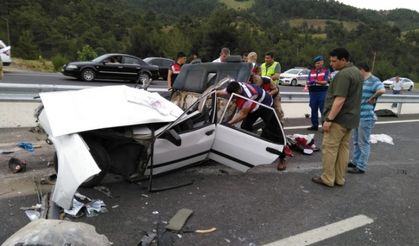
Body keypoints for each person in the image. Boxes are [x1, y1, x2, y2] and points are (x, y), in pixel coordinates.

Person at [311, 48, 363, 187]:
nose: (331, 63)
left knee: (329, 148)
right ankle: (340, 178)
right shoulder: (357, 72)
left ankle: (328, 178)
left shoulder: (343, 75)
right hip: (350, 119)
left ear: (344, 60)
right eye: (331, 60)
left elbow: (339, 100)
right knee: (343, 149)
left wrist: (329, 120)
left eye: (334, 61)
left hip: (338, 120)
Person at [217, 81, 288, 170]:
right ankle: (253, 149)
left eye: (235, 96)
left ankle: (283, 158)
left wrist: (228, 123)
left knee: (275, 131)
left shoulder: (249, 95)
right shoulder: (232, 87)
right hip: (254, 107)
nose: (233, 98)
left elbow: (242, 114)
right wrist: (209, 95)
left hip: (265, 106)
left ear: (238, 91)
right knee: (245, 127)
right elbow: (220, 92)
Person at [348, 63, 385, 174]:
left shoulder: (374, 80)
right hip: (357, 116)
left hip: (366, 117)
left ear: (362, 70)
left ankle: (361, 166)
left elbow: (382, 90)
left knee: (363, 142)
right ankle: (355, 161)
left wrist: (373, 97)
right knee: (356, 141)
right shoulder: (362, 80)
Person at [306, 55, 330, 131]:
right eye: (317, 63)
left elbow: (325, 82)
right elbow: (308, 81)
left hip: (322, 92)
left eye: (320, 63)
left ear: (322, 62)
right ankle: (314, 125)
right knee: (313, 109)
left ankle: (324, 125)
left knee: (323, 109)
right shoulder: (311, 72)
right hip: (313, 92)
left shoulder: (326, 71)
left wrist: (316, 81)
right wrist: (309, 83)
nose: (318, 64)